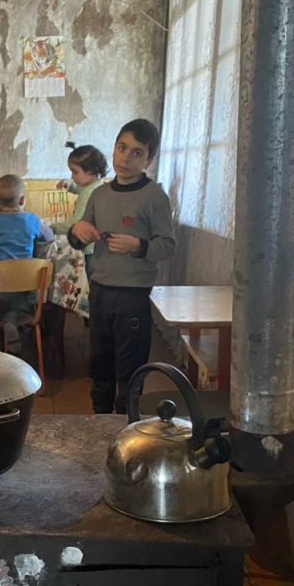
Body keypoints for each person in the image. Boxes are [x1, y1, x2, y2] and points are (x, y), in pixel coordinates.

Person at [69, 119, 175, 414]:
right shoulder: (99, 194)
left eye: (137, 153)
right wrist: (77, 233)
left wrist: (138, 247)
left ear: (149, 160)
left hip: (133, 296)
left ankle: (128, 428)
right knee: (100, 364)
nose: (126, 158)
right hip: (100, 291)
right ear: (114, 148)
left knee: (130, 370)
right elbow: (79, 237)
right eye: (121, 148)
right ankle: (99, 424)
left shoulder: (154, 197)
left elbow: (168, 244)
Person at [0, 174, 54, 354]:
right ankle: (10, 321)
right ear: (22, 199)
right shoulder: (32, 220)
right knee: (16, 304)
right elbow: (49, 236)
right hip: (24, 288)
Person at [54, 141, 108, 280]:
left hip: (90, 250)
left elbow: (75, 223)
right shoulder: (98, 186)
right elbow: (82, 188)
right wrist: (70, 185)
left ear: (90, 171)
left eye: (75, 172)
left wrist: (51, 228)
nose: (72, 176)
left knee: (92, 283)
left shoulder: (88, 193)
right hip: (100, 248)